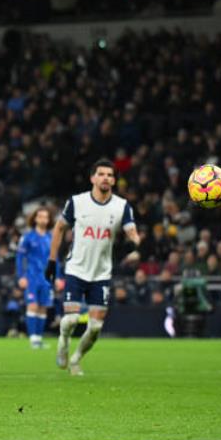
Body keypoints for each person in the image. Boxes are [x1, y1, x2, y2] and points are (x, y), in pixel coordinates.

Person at [45, 158, 140, 376]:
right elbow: (59, 228)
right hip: (76, 269)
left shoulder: (121, 206)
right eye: (101, 174)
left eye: (109, 175)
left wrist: (134, 243)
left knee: (96, 327)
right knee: (70, 319)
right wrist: (52, 260)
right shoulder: (77, 202)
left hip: (101, 273)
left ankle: (76, 359)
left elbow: (132, 232)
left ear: (114, 180)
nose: (105, 177)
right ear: (92, 178)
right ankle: (63, 342)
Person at [15, 206, 63, 349]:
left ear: (49, 220)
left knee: (43, 307)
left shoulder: (51, 238)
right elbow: (19, 258)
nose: (43, 219)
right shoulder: (27, 237)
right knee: (33, 305)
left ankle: (39, 338)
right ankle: (33, 339)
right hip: (32, 277)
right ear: (35, 218)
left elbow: (56, 259)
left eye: (45, 217)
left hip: (47, 279)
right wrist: (21, 276)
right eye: (40, 216)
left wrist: (58, 277)